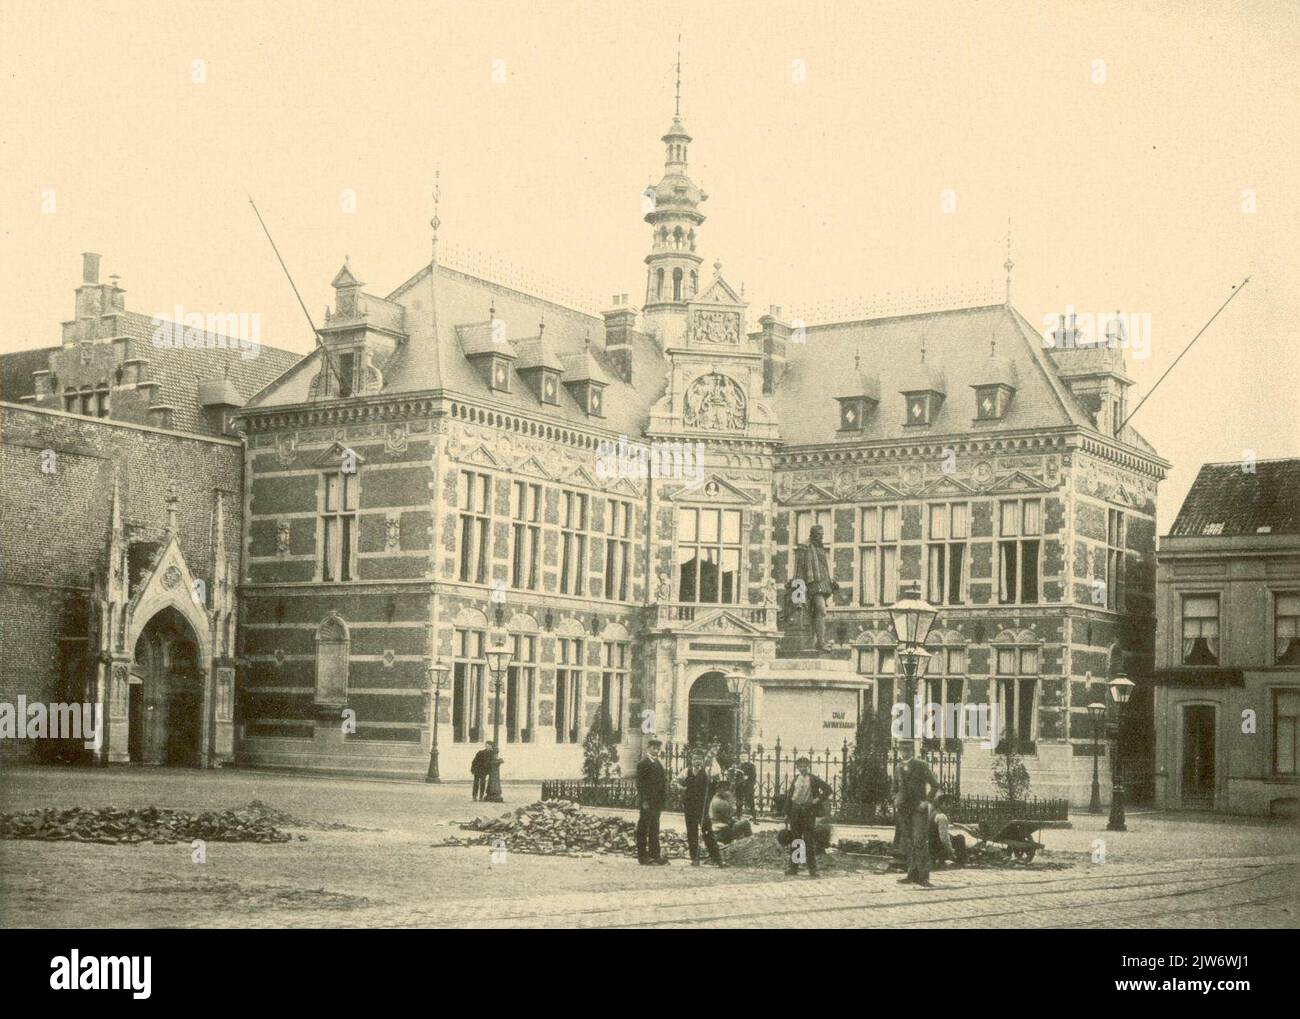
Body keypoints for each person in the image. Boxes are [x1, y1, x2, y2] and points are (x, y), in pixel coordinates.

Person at [895, 750, 941, 887]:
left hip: (918, 809)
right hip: (904, 810)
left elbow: (935, 785)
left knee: (920, 840)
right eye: (902, 747)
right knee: (908, 842)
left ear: (912, 749)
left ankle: (923, 876)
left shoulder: (921, 765)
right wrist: (895, 800)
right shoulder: (898, 767)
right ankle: (911, 874)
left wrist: (926, 802)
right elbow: (894, 788)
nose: (904, 751)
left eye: (907, 746)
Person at [674, 751, 725, 866]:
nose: (697, 761)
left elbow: (716, 776)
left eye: (699, 759)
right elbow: (675, 782)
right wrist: (682, 789)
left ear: (702, 761)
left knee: (707, 832)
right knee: (692, 832)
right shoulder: (686, 772)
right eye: (695, 759)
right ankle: (694, 858)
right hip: (689, 806)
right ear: (691, 760)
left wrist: (713, 761)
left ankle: (716, 858)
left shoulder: (707, 771)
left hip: (702, 807)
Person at [784, 756, 831, 877]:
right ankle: (793, 868)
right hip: (795, 812)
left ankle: (812, 870)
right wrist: (787, 813)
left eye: (805, 766)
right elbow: (790, 797)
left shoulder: (814, 779)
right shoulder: (795, 779)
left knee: (808, 840)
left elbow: (828, 790)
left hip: (808, 812)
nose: (802, 768)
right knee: (796, 840)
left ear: (808, 767)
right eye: (800, 766)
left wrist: (817, 800)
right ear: (797, 767)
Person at [636, 739, 669, 865]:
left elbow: (662, 783)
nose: (656, 751)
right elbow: (640, 784)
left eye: (658, 749)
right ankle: (642, 856)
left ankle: (655, 855)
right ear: (648, 748)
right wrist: (644, 800)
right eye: (654, 748)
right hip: (647, 802)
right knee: (643, 828)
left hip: (656, 802)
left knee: (655, 828)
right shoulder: (643, 763)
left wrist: (663, 800)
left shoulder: (658, 763)